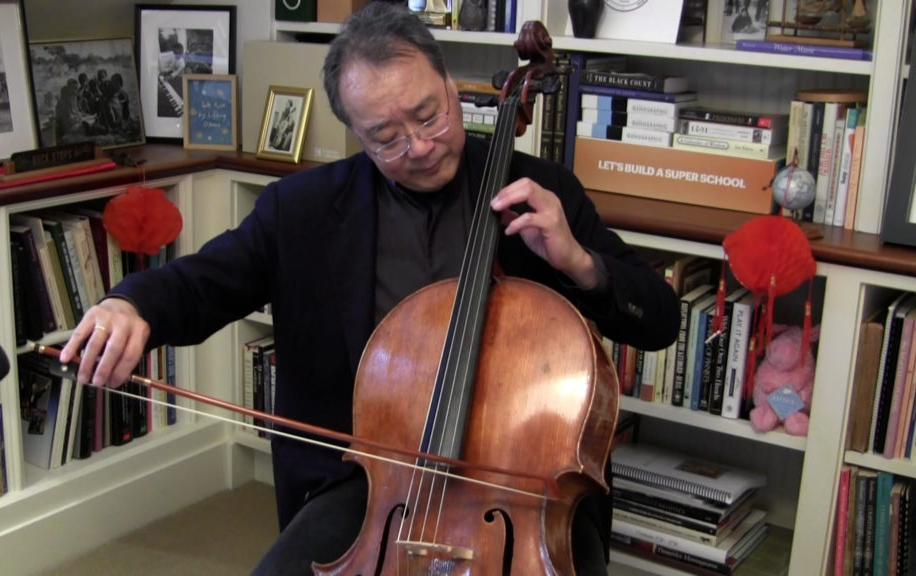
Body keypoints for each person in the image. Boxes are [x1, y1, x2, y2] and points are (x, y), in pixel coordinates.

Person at [61, 3, 679, 574]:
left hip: (525, 488)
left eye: (429, 115)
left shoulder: (541, 192)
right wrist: (131, 304)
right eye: (386, 137)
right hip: (367, 484)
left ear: (450, 87)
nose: (420, 146)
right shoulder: (300, 209)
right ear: (356, 133)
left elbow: (658, 320)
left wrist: (580, 263)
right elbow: (204, 282)